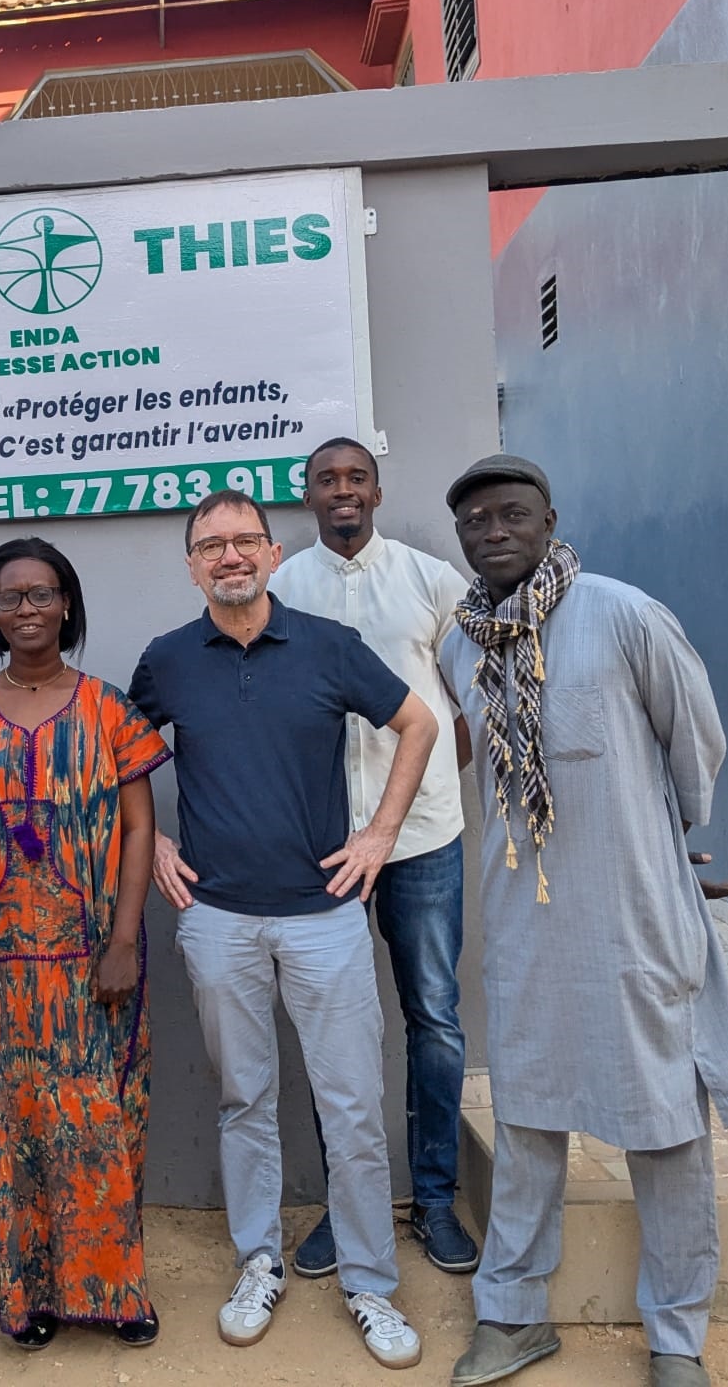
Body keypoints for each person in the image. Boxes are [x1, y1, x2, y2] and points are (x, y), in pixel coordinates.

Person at [437, 456, 728, 1387]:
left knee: (664, 1118)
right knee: (530, 1114)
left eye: (511, 514)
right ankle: (511, 1315)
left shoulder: (623, 613)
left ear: (549, 522)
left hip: (632, 911)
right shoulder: (462, 645)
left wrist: (661, 838)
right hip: (521, 921)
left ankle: (677, 1335)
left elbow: (694, 737)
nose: (492, 531)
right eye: (474, 522)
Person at [130, 489, 438, 1372]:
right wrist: (148, 847)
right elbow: (122, 759)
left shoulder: (329, 647)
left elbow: (418, 722)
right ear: (192, 565)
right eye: (210, 545)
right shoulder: (167, 661)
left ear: (270, 554)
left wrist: (380, 833)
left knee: (352, 1111)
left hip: (325, 920)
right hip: (218, 919)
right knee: (245, 1101)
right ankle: (257, 1262)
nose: (228, 556)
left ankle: (372, 1284)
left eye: (243, 541)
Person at [0, 538, 169, 1352]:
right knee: (21, 1122)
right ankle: (28, 1294)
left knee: (103, 1117)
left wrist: (126, 938)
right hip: (6, 969)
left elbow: (138, 826)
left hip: (97, 957)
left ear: (68, 604)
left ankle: (117, 1288)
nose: (26, 609)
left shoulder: (107, 708)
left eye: (42, 594)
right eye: (9, 597)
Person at [269, 438, 480, 1276]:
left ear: (379, 491)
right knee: (334, 1029)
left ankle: (432, 1199)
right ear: (310, 496)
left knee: (433, 1016)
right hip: (325, 849)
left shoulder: (432, 582)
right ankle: (349, 1206)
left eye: (356, 477)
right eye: (328, 480)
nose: (343, 490)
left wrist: (422, 787)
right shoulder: (284, 589)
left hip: (425, 839)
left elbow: (477, 697)